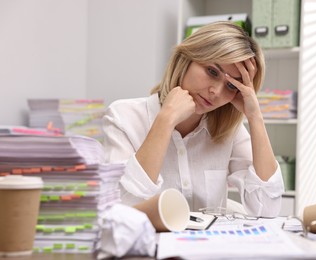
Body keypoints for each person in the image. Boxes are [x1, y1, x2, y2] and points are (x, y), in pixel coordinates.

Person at [102, 21, 284, 217]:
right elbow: (122, 207)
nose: (216, 91)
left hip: (208, 245)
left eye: (231, 86)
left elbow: (267, 208)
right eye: (212, 72)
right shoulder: (123, 117)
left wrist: (255, 116)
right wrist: (166, 120)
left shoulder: (230, 130)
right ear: (186, 59)